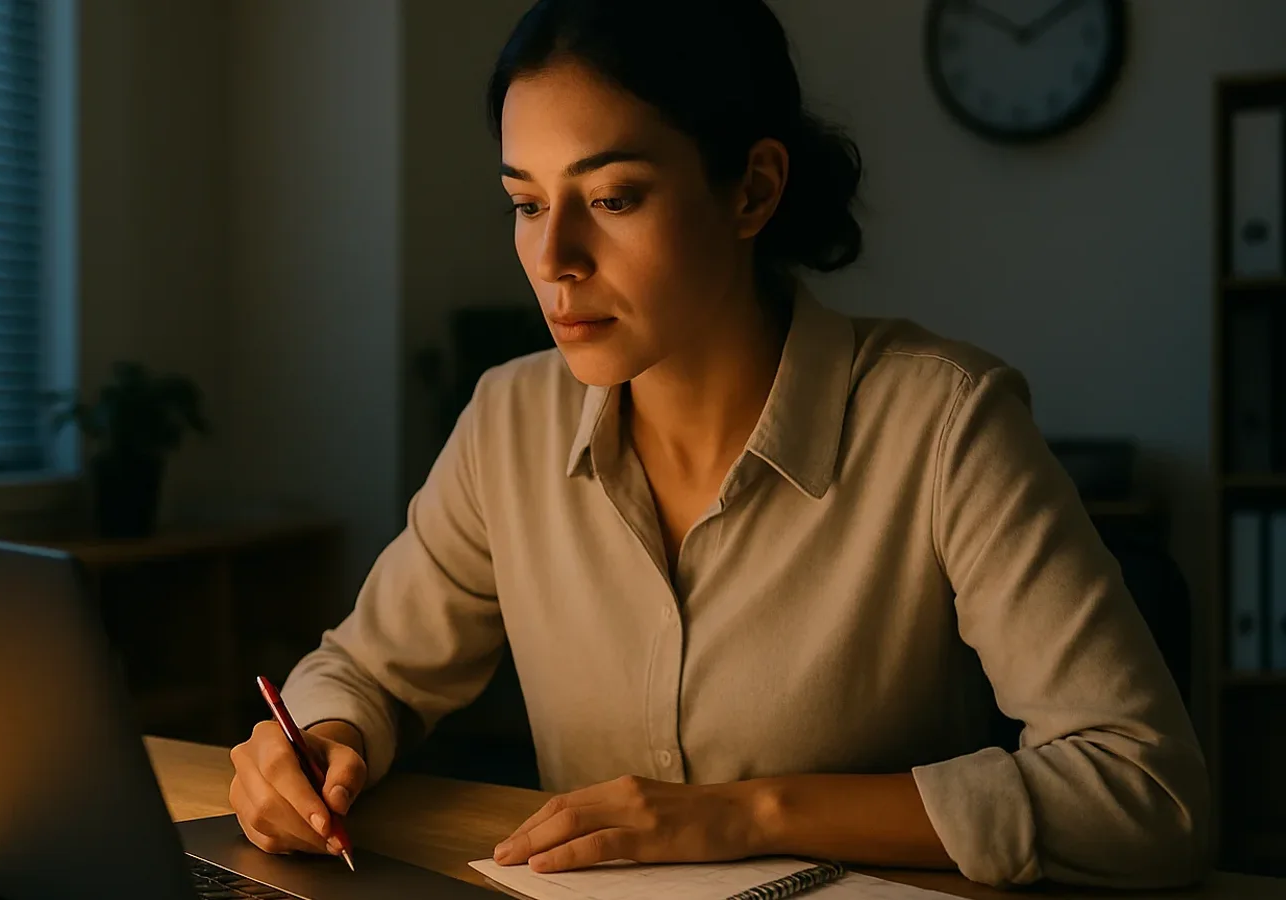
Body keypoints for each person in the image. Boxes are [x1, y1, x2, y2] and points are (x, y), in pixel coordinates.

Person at [227, 0, 1209, 889]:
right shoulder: (507, 422)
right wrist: (316, 741)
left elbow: (1145, 791)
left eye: (611, 198)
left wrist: (744, 813)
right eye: (526, 203)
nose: (553, 259)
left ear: (752, 190)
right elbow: (367, 671)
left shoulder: (944, 424)